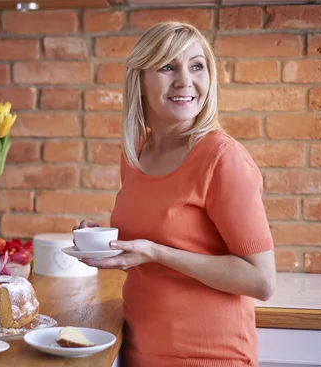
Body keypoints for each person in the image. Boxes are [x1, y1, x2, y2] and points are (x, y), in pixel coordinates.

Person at [74, 21, 276, 367]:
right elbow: (158, 247)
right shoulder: (137, 152)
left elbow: (261, 280)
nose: (185, 80)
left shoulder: (222, 158)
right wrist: (112, 242)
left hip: (207, 355)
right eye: (168, 66)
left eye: (196, 66)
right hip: (139, 348)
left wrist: (155, 252)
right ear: (140, 80)